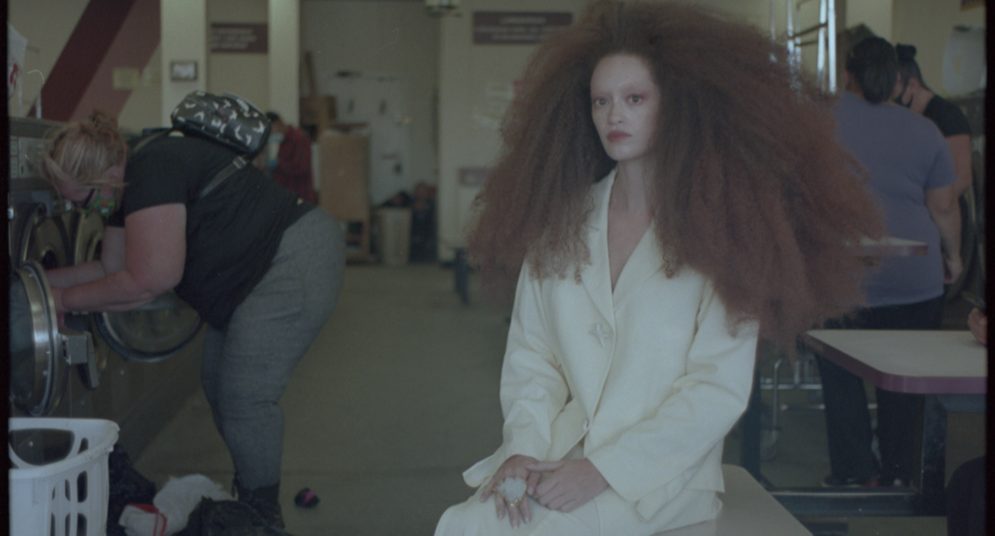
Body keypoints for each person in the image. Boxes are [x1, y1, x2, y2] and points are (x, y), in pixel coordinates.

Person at [434, 2, 883, 534]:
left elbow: (716, 388)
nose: (614, 116)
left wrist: (604, 471)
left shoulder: (722, 235)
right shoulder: (562, 222)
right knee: (466, 523)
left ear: (676, 106)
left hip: (661, 479)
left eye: (635, 98)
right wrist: (523, 451)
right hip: (559, 456)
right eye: (601, 101)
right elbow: (534, 358)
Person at [41, 111, 346, 531]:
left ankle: (262, 518)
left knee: (244, 398)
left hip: (290, 263)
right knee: (217, 383)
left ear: (104, 174)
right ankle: (250, 497)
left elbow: (150, 280)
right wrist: (37, 286)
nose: (83, 210)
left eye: (84, 200)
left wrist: (63, 300)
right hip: (251, 279)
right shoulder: (126, 185)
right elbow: (110, 269)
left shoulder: (153, 170)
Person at [816, 36, 962, 489]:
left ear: (847, 75)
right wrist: (954, 257)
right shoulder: (925, 130)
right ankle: (900, 475)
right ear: (898, 80)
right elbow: (943, 207)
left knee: (841, 380)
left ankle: (853, 473)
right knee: (906, 380)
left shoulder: (818, 123)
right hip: (913, 279)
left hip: (839, 277)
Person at [894, 43, 973, 200]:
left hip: (942, 209)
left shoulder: (948, 116)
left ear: (912, 85)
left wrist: (928, 206)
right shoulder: (907, 118)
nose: (892, 106)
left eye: (895, 99)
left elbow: (962, 178)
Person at [266, 111, 318, 205]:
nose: (271, 134)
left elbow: (301, 167)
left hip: (300, 194)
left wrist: (279, 164)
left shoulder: (299, 138)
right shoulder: (284, 141)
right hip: (288, 195)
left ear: (277, 124)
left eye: (271, 130)